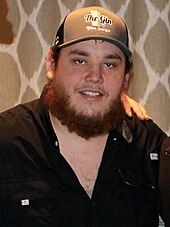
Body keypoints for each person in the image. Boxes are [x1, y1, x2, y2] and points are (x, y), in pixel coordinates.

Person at [0, 6, 168, 226]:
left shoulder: (149, 146)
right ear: (52, 64)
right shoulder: (7, 141)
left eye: (109, 64)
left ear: (125, 77)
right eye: (80, 60)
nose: (95, 76)